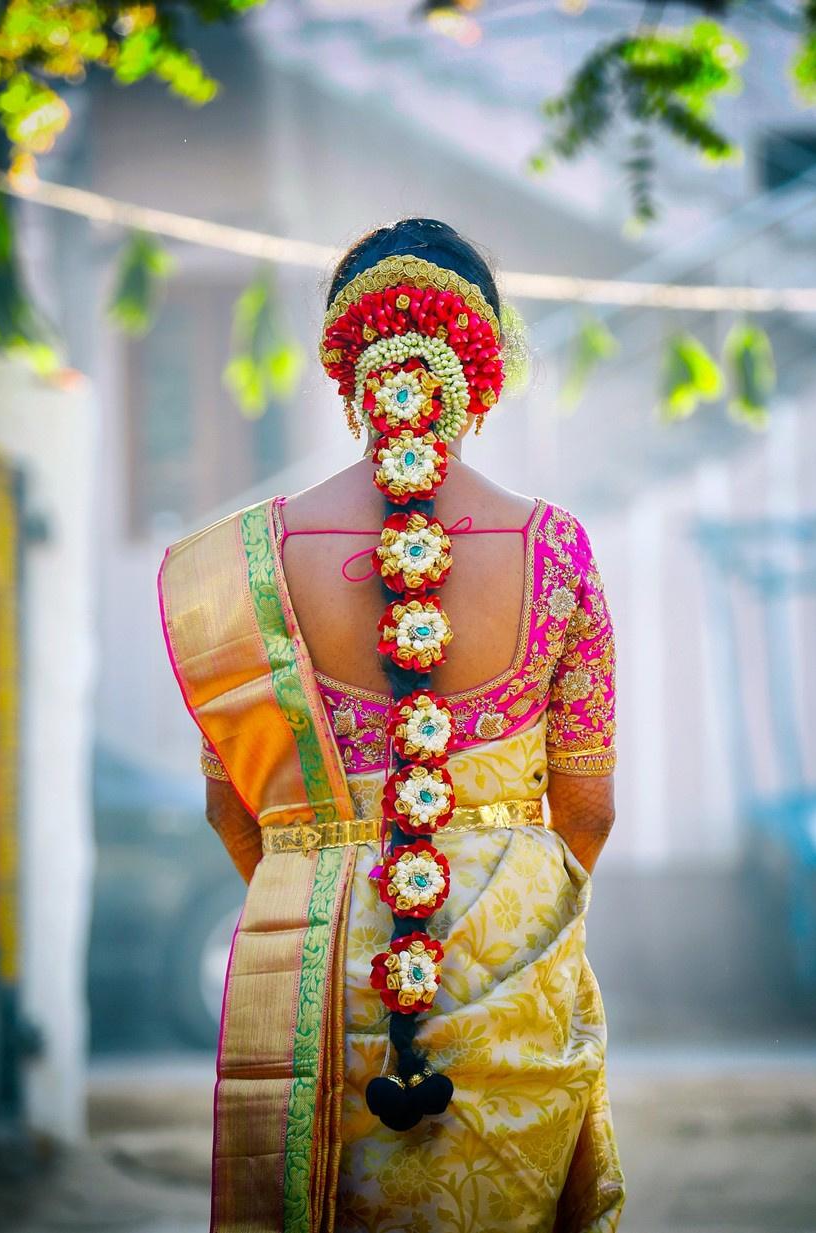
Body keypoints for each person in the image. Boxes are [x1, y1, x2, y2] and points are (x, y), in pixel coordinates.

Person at [158, 218, 625, 1233]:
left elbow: (228, 807)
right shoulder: (558, 550)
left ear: (346, 372)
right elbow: (586, 804)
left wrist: (325, 889)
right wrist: (513, 898)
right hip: (511, 966)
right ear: (487, 372)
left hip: (320, 967)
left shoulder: (243, 564)